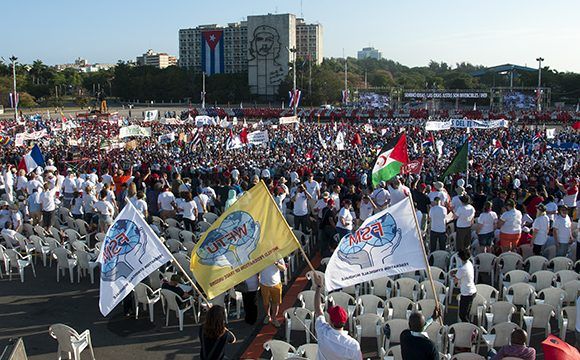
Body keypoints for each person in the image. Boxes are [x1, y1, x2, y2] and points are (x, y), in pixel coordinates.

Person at [312, 272, 362, 360]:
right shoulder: (353, 345)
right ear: (345, 321)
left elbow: (318, 310)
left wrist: (318, 287)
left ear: (331, 321)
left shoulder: (323, 331)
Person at [452, 249, 476, 323]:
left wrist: (456, 282)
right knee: (466, 313)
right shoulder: (469, 263)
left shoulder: (462, 269)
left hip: (466, 293)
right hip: (472, 291)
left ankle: (469, 329)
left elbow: (455, 280)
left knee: (462, 315)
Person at [259, 259, 286, 327]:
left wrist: (276, 263)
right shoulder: (259, 254)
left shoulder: (278, 255)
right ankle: (268, 315)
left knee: (276, 302)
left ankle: (274, 318)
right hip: (264, 284)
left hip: (276, 284)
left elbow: (283, 268)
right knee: (266, 303)